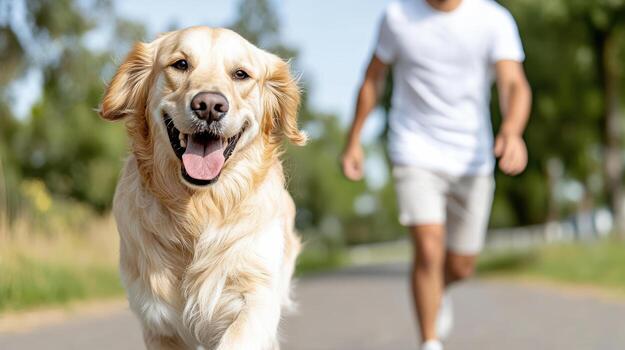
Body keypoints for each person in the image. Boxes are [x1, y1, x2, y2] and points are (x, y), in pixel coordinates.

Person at [341, 0, 532, 349]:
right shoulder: (398, 15)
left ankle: (436, 292)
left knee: (461, 266)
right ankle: (430, 340)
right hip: (414, 149)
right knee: (428, 249)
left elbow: (513, 84)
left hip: (471, 157)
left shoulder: (493, 19)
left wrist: (513, 129)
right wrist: (354, 139)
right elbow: (372, 80)